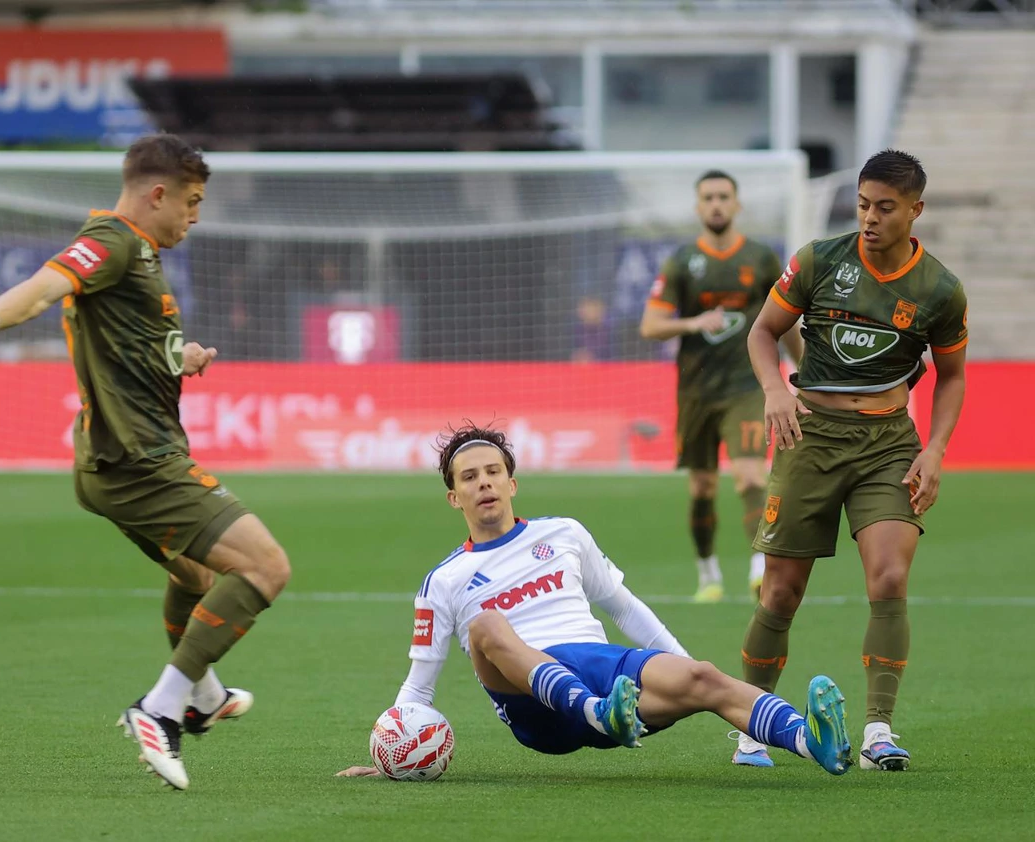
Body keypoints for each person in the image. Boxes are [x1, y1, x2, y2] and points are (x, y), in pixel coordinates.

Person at [0, 135, 290, 791]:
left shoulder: (139, 254)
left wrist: (182, 357)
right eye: (192, 201)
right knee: (266, 566)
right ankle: (161, 707)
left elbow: (127, 344)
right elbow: (42, 287)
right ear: (158, 193)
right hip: (139, 461)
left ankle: (202, 694)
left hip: (108, 458)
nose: (196, 216)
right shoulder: (114, 241)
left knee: (193, 574)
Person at [336, 425, 852, 779]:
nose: (484, 482)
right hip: (533, 710)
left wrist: (678, 660)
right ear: (454, 497)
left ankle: (813, 743)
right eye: (469, 478)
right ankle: (598, 712)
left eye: (492, 471)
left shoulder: (564, 533)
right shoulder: (444, 580)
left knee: (705, 679)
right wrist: (391, 754)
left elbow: (622, 607)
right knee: (487, 627)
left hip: (605, 676)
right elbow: (418, 686)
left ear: (512, 482)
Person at [738, 149, 968, 772]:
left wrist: (936, 450)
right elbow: (761, 332)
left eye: (885, 208)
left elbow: (950, 377)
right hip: (809, 437)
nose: (870, 218)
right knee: (781, 592)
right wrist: (776, 389)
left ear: (915, 211)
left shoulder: (940, 290)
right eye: (863, 204)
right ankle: (753, 727)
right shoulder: (819, 259)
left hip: (888, 444)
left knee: (890, 580)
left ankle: (877, 734)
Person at [640, 171, 804, 603]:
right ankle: (708, 573)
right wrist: (692, 321)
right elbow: (650, 324)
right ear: (698, 207)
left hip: (747, 387)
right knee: (702, 489)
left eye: (723, 197)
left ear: (737, 205)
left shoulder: (762, 258)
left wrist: (805, 369)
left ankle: (758, 570)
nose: (716, 204)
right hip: (696, 393)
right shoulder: (681, 262)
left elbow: (781, 321)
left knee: (751, 474)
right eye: (708, 198)